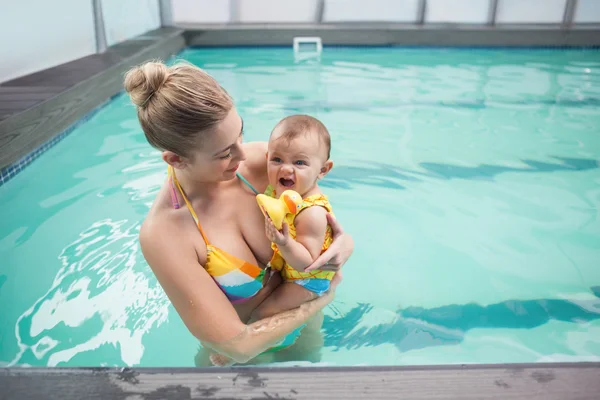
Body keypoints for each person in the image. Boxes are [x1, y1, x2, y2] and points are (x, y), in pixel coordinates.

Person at [123, 60, 354, 366]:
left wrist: (344, 243)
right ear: (176, 159)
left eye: (240, 135)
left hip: (305, 328)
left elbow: (313, 211)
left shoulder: (264, 162)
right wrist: (321, 297)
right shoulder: (166, 234)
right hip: (242, 360)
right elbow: (236, 346)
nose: (244, 155)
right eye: (224, 153)